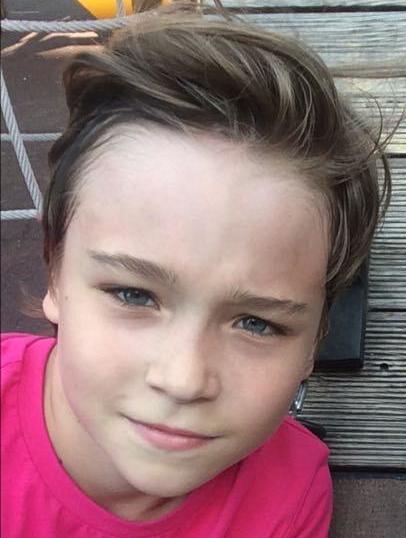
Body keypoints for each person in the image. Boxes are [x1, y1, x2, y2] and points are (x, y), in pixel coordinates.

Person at [1, 2, 391, 537]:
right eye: (133, 294)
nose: (183, 380)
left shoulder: (289, 498)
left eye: (257, 323)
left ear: (315, 341)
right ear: (54, 270)